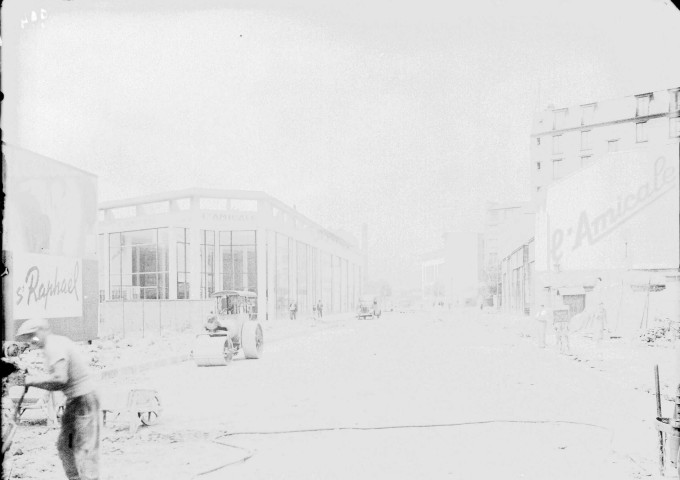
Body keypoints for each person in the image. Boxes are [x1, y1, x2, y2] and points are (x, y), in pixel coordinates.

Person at [15, 318, 101, 480]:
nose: (31, 341)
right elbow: (58, 382)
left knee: (84, 449)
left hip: (83, 399)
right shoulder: (52, 345)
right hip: (75, 400)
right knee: (65, 446)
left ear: (42, 330)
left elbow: (60, 379)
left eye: (32, 336)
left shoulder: (54, 346)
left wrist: (31, 381)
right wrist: (34, 381)